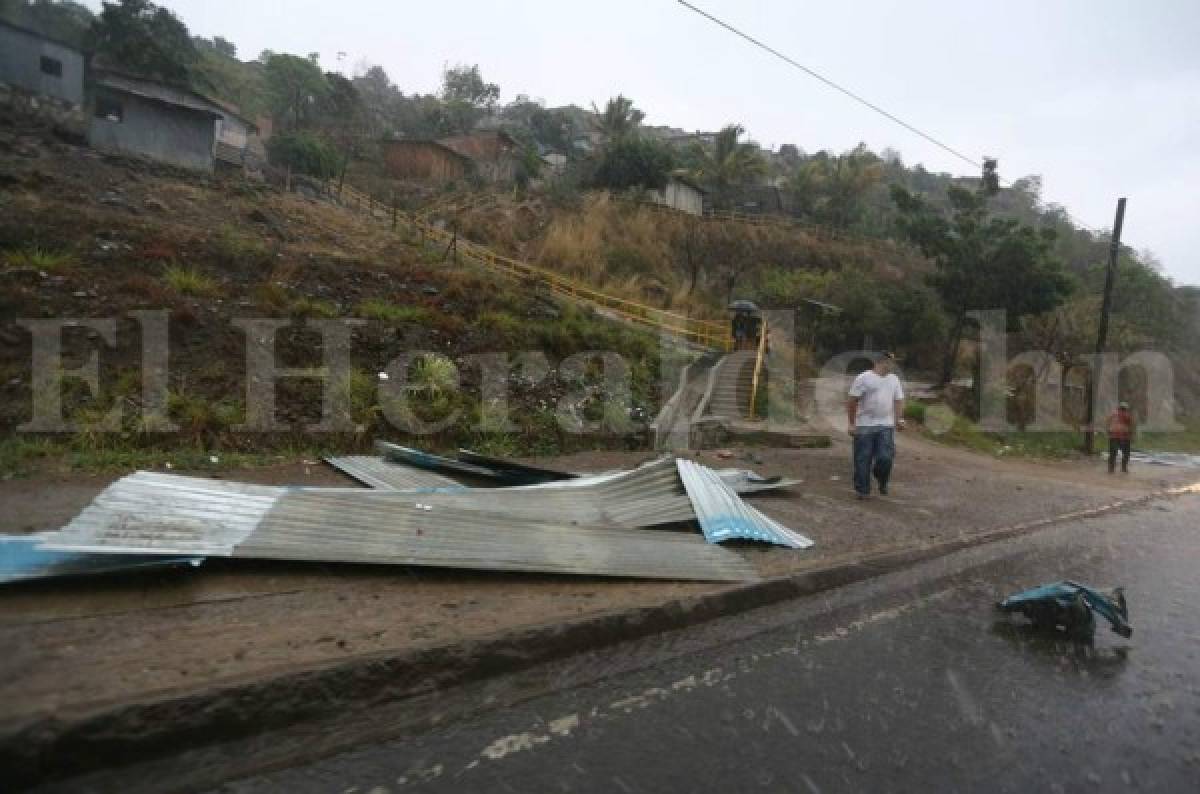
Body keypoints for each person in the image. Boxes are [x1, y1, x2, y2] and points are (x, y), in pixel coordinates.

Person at [846, 352, 905, 499]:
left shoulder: (894, 379)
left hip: (885, 425)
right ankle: (862, 490)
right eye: (891, 362)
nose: (893, 365)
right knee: (862, 458)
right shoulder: (864, 378)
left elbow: (898, 400)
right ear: (881, 362)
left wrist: (899, 419)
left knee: (886, 458)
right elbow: (852, 400)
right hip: (864, 425)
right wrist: (852, 424)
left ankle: (882, 479)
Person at [1106, 401, 1136, 473]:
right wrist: (1108, 431)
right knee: (1113, 453)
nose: (1122, 411)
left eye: (1124, 409)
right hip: (1114, 436)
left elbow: (1132, 426)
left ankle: (1123, 468)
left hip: (1125, 437)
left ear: (1126, 410)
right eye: (1121, 409)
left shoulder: (1128, 417)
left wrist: (1131, 435)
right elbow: (1108, 423)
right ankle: (1111, 468)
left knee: (1126, 454)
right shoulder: (1113, 415)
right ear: (1118, 409)